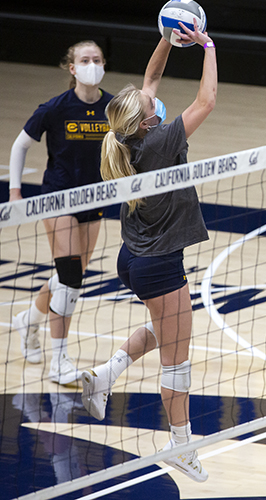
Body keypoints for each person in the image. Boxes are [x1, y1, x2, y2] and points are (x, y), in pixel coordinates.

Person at [79, 22, 216, 482]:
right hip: (157, 263)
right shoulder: (159, 142)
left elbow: (150, 80)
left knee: (165, 328)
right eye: (146, 103)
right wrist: (207, 46)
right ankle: (181, 444)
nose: (150, 95)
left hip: (133, 258)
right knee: (177, 359)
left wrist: (168, 38)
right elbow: (206, 102)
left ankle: (105, 374)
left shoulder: (123, 136)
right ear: (146, 121)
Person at [9, 41, 113, 384]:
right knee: (70, 279)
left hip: (94, 199)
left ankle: (29, 320)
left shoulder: (112, 107)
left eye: (96, 59)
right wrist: (15, 193)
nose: (91, 64)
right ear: (72, 68)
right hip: (57, 199)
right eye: (85, 60)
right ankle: (60, 360)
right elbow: (20, 145)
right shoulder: (55, 108)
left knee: (72, 276)